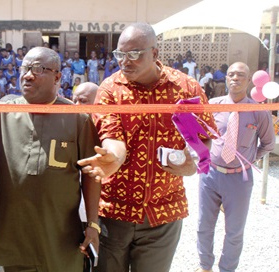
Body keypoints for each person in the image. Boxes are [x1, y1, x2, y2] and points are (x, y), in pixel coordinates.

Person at [0, 46, 101, 271]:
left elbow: (91, 174)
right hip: (14, 238)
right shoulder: (3, 111)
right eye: (24, 68)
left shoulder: (77, 119)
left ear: (57, 76)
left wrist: (93, 224)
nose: (27, 74)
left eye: (37, 69)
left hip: (61, 240)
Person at [77, 23, 217, 272]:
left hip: (163, 213)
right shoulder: (110, 90)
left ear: (154, 53)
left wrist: (192, 161)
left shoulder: (184, 89)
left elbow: (202, 139)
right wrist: (113, 158)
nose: (125, 61)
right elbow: (113, 138)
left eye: (134, 54)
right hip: (114, 212)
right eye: (120, 54)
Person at [196, 62, 275, 272]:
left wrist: (250, 159)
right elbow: (200, 136)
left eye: (240, 75)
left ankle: (227, 269)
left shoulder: (258, 112)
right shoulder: (214, 105)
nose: (235, 78)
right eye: (231, 74)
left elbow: (268, 143)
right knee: (204, 226)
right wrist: (203, 156)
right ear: (226, 78)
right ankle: (205, 266)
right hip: (210, 175)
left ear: (248, 81)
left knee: (234, 231)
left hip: (240, 179)